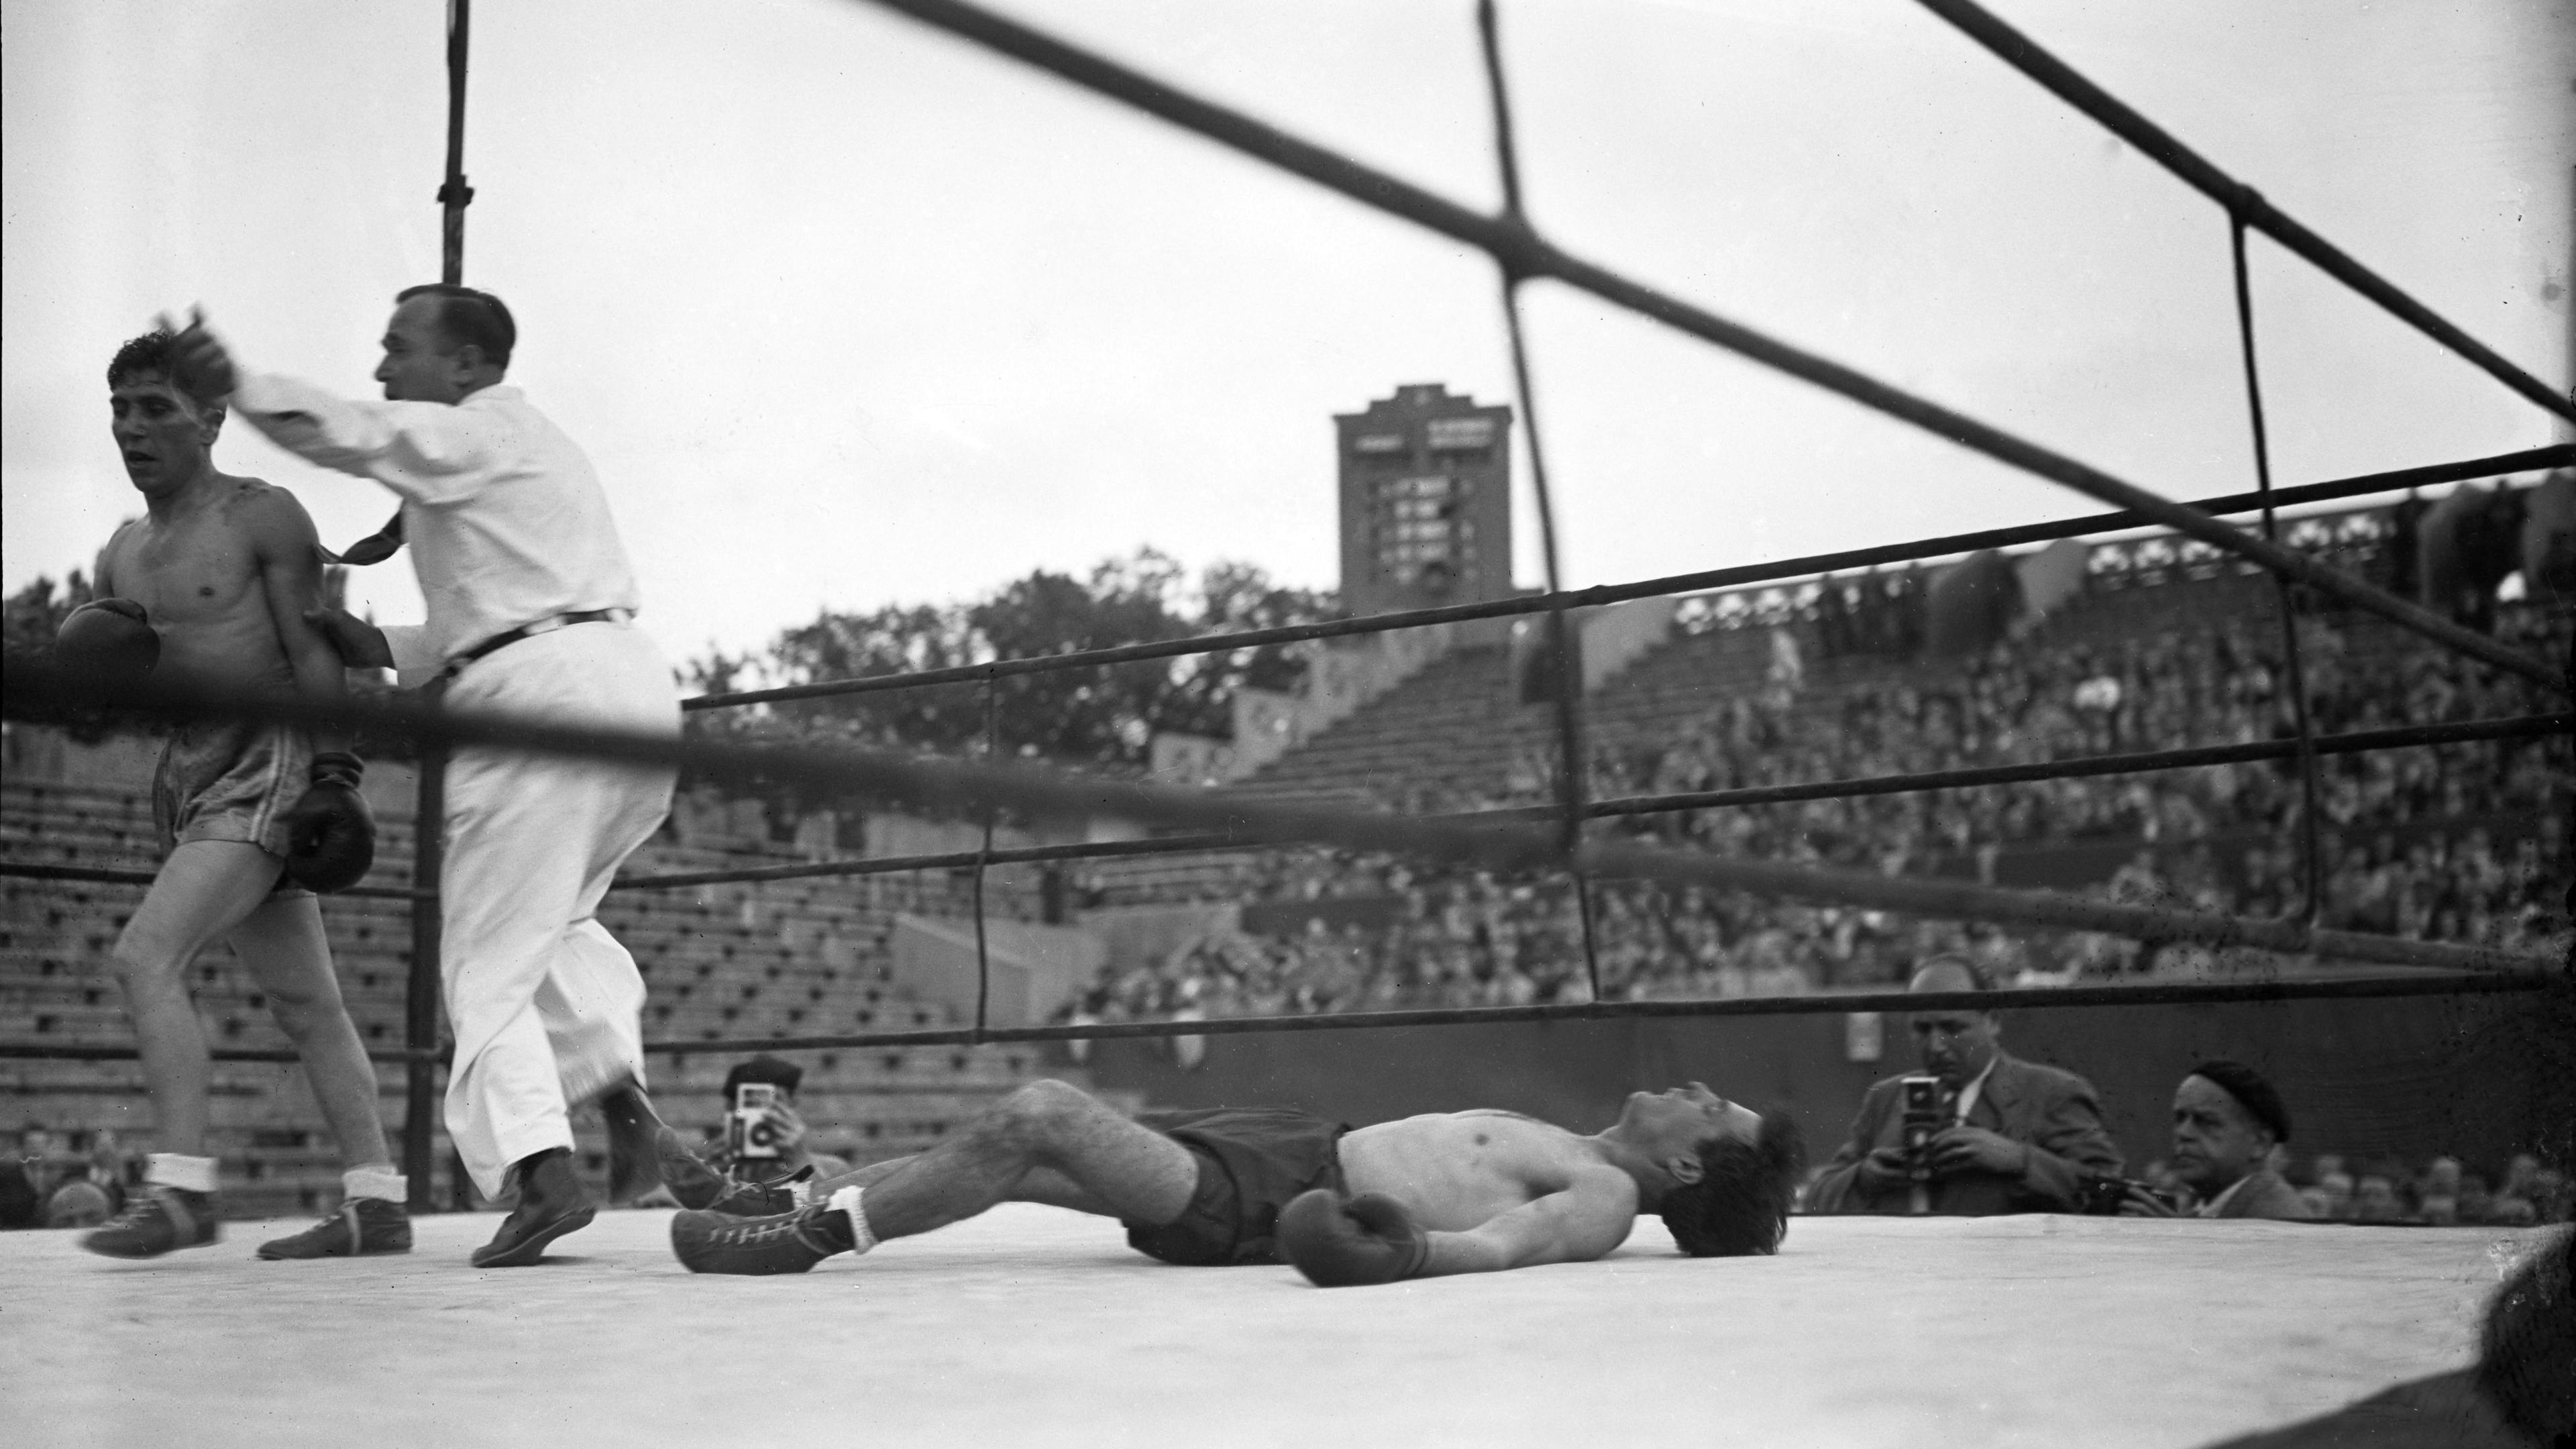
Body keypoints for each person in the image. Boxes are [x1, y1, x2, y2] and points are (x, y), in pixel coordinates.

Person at [161, 289, 680, 1268]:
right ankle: (634, 1118)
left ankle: (542, 1173)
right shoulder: (534, 452)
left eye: (400, 349)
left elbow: (360, 433)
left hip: (542, 702)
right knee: (556, 923)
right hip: (626, 684)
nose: (384, 368)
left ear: (468, 364)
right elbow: (479, 620)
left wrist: (240, 385)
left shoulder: (476, 431)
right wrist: (377, 641)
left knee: (484, 957)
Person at [62, 332, 410, 1260]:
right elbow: (131, 706)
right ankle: (378, 1201)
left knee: (144, 960)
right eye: (120, 409)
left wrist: (336, 775)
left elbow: (313, 651)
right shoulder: (121, 555)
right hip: (191, 775)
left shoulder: (264, 516)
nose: (132, 429)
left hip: (274, 764)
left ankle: (180, 1189)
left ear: (211, 419)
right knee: (307, 1005)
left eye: (156, 409)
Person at [664, 1078, 1805, 1282]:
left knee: (1039, 1115)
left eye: (1715, 1109)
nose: (1699, 1088)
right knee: (1016, 1156)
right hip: (1285, 1144)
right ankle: (787, 1200)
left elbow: (1509, 1246)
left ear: (1692, 1161)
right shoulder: (1584, 1141)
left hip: (1267, 1195)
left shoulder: (1606, 1198)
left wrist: (1401, 1250)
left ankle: (799, 1243)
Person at [1805, 955, 2122, 1214]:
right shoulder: (1886, 1098)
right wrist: (1864, 1177)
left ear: (1993, 1021)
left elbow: (2111, 1193)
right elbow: (1817, 1197)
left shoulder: (2053, 1093)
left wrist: (2020, 1160)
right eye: (1922, 1029)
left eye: (1952, 1028)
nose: (1936, 1045)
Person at [2117, 1060, 2309, 1220]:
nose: (2183, 1133)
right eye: (2180, 1118)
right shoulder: (2217, 1206)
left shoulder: (2276, 1218)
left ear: (2260, 1143)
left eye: (2206, 1122)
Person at [649, 1057, 851, 1205]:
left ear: (792, 1107)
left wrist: (801, 1162)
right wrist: (708, 1176)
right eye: (748, 1107)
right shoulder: (716, 1165)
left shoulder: (831, 1169)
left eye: (772, 1105)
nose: (760, 1118)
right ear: (730, 1114)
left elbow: (836, 1214)